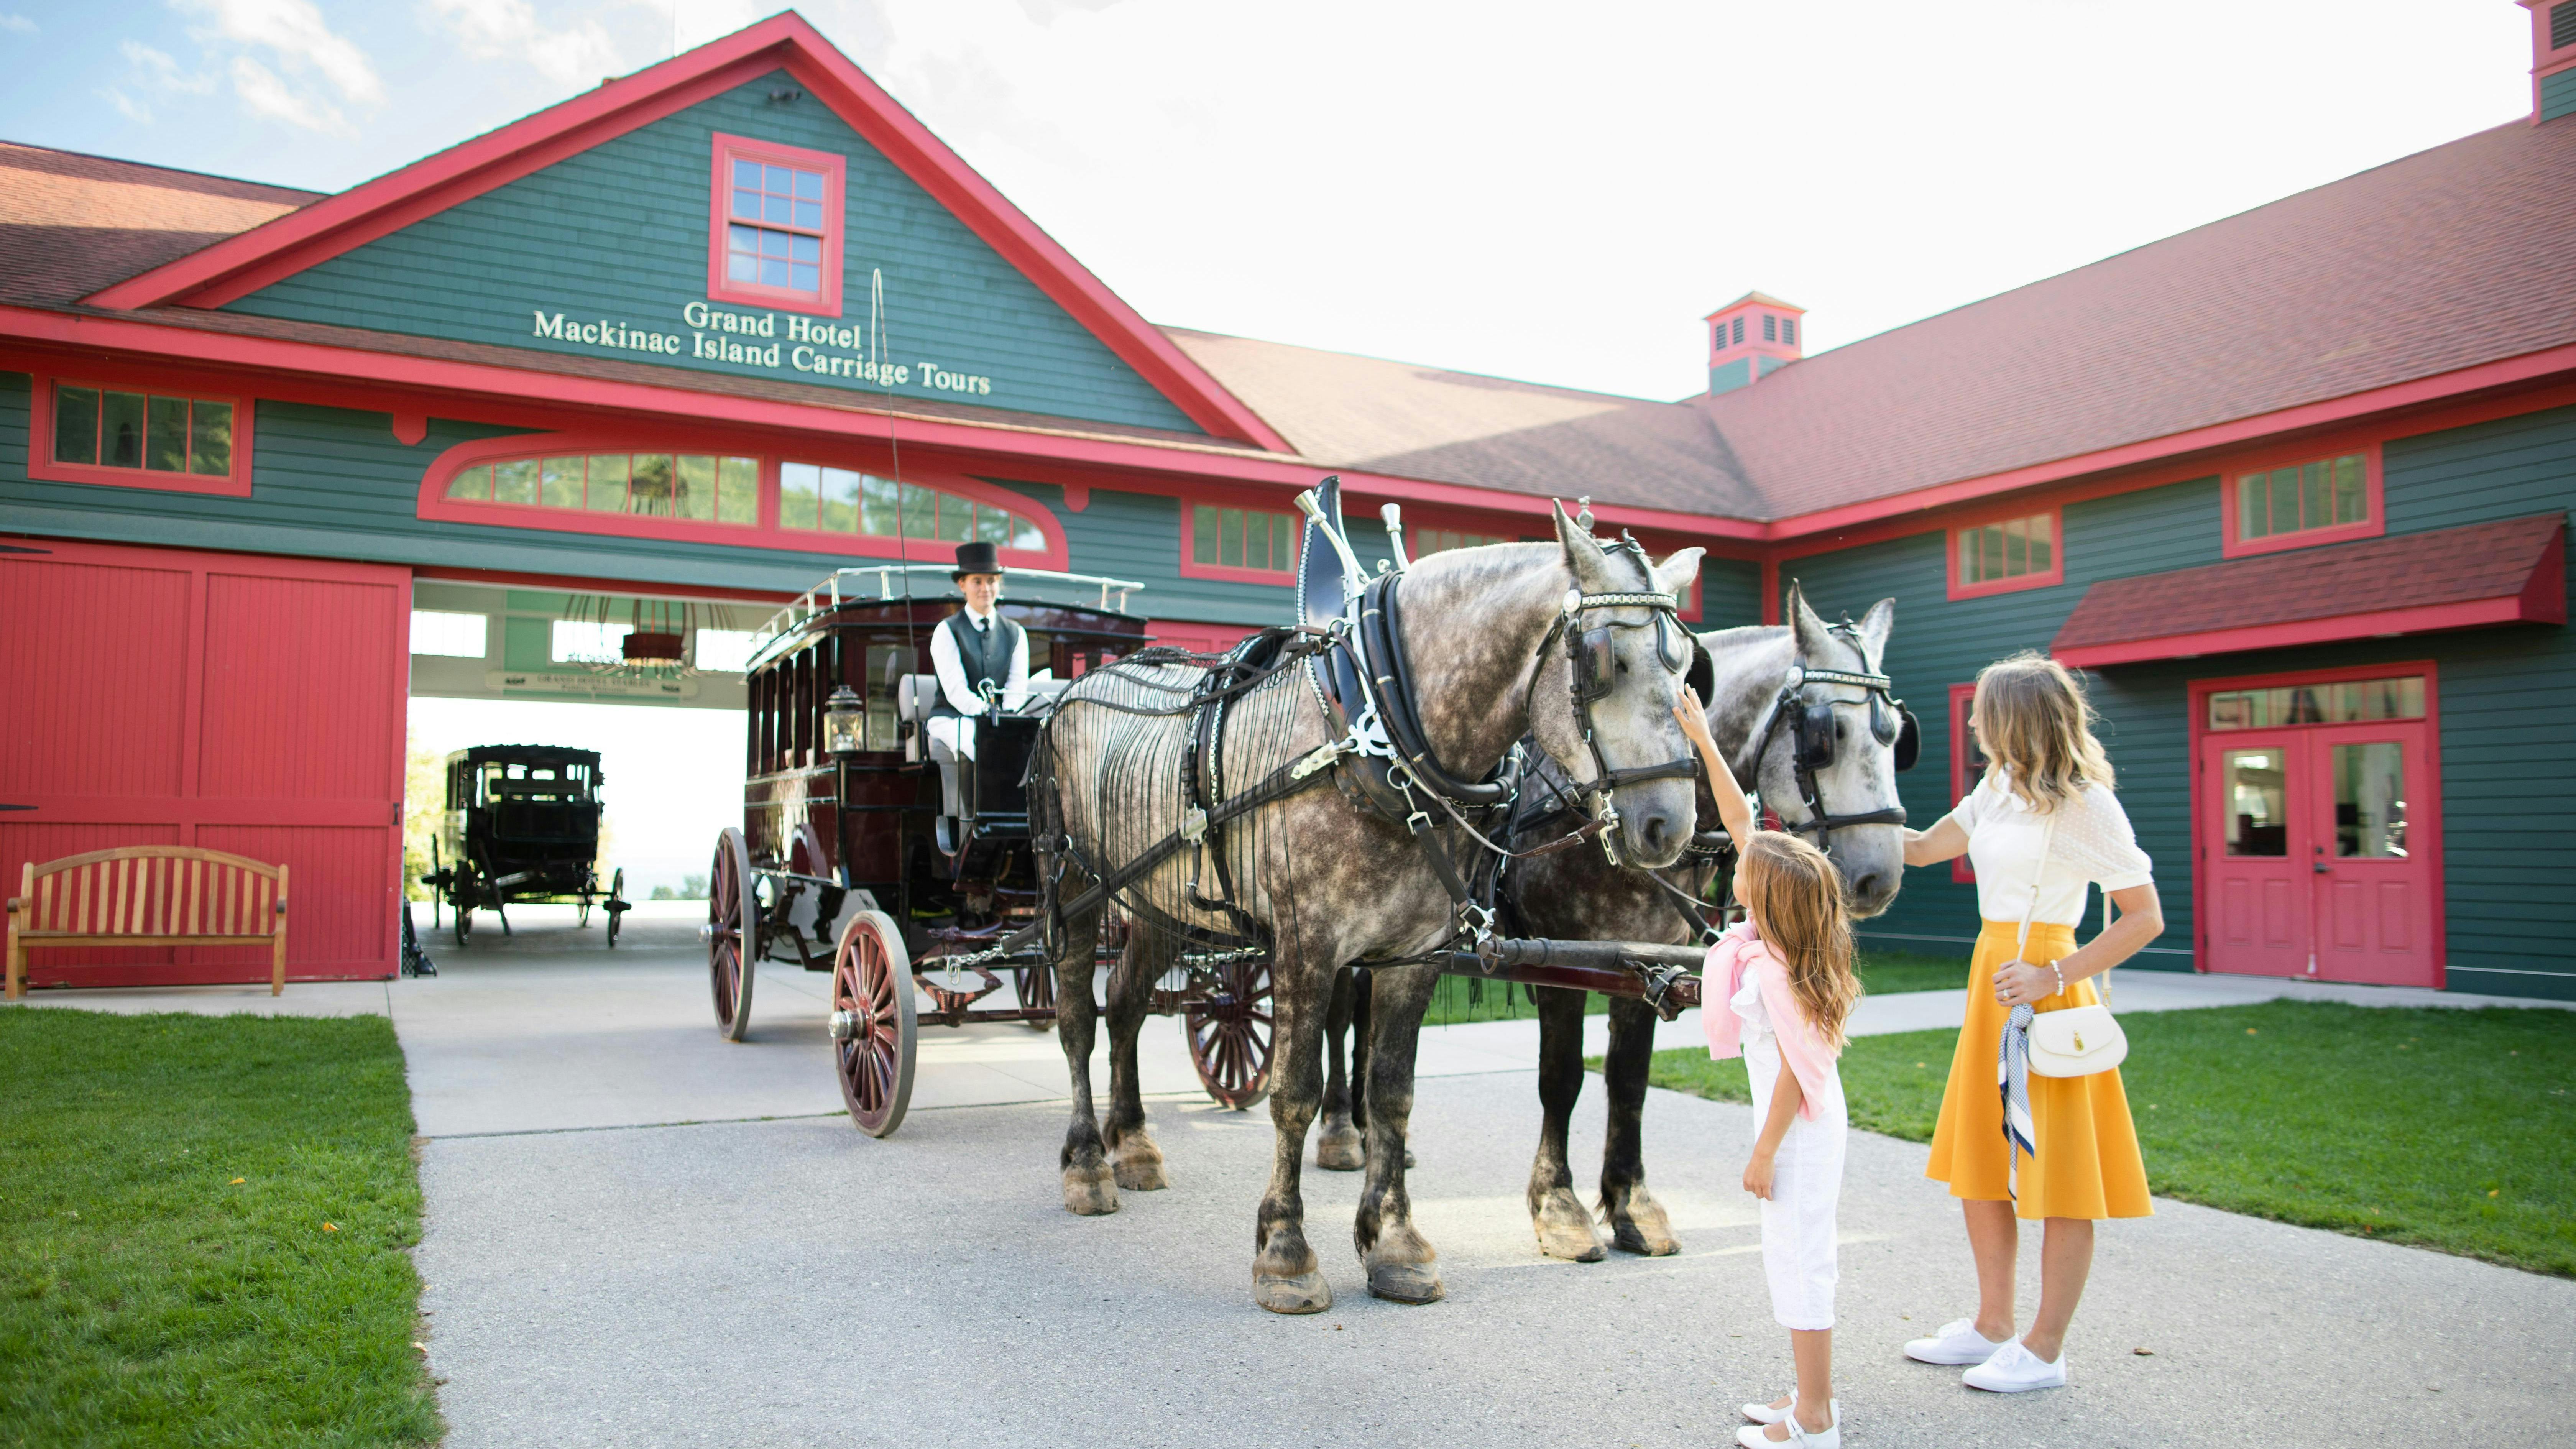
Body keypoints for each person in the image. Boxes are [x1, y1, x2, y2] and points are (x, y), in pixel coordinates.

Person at [1898, 651, 2164, 1393]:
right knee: (1983, 1163)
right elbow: (1920, 851)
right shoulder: (1995, 789)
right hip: (1992, 979)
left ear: (2014, 718)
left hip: (2046, 986)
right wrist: (1838, 821)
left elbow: (2145, 917)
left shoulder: (2086, 805)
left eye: (1983, 711)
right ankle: (1992, 1325)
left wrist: (2053, 975)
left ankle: (2045, 1350)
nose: (1974, 723)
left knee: (2059, 1176)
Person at [1675, 697, 1854, 1449]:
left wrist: (1763, 1152)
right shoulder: (1779, 942)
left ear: (1768, 895)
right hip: (1799, 1132)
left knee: (1801, 1265)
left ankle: (1816, 1420)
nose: (1736, 868)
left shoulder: (1780, 977)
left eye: (1746, 872)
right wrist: (1702, 740)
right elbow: (1743, 821)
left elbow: (1792, 1079)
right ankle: (1808, 1396)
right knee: (1792, 1263)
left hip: (1797, 1135)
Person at [925, 540, 1028, 815]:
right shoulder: (946, 631)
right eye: (977, 581)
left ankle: (1022, 818)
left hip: (1000, 720)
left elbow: (1018, 685)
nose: (986, 589)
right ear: (963, 585)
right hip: (952, 718)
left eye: (992, 581)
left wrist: (1006, 716)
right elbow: (955, 689)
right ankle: (975, 820)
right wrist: (985, 713)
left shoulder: (1017, 633)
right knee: (972, 740)